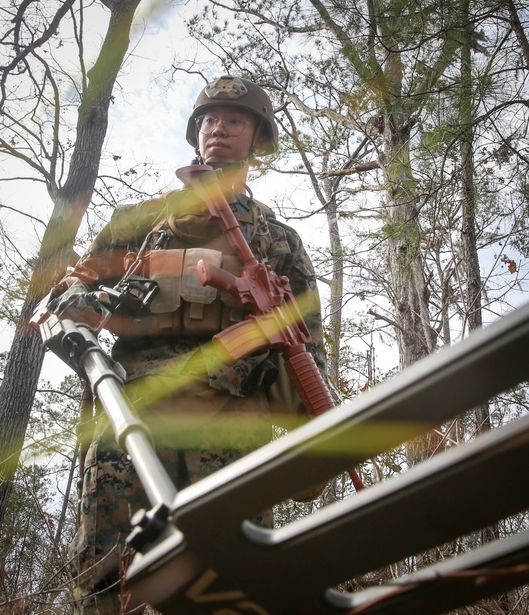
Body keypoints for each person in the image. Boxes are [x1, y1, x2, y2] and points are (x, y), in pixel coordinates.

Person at [50, 75, 328, 615]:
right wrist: (88, 304)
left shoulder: (279, 241)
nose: (217, 129)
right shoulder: (142, 221)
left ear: (259, 140)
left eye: (234, 121)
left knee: (231, 579)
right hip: (133, 406)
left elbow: (306, 342)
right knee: (107, 572)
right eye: (208, 120)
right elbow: (76, 283)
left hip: (231, 419)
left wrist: (314, 430)